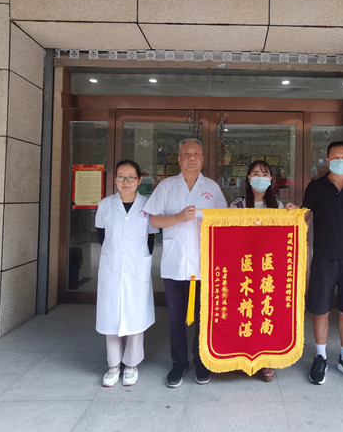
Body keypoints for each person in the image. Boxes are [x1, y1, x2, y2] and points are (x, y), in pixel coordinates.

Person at [144, 138, 228, 388]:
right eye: (187, 154)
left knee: (204, 316)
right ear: (179, 159)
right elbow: (153, 221)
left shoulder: (212, 188)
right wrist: (179, 218)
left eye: (196, 154)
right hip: (175, 263)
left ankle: (201, 361)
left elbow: (224, 221)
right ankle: (179, 363)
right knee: (176, 318)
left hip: (205, 264)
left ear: (202, 160)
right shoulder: (166, 186)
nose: (192, 158)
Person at [296, 141, 343, 386]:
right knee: (320, 309)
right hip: (323, 259)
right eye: (336, 157)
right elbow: (304, 218)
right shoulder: (315, 187)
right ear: (327, 160)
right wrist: (292, 216)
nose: (341, 160)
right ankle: (320, 356)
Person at [95, 160, 158, 387]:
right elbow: (101, 236)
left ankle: (131, 364)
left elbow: (151, 238)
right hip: (111, 267)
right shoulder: (105, 205)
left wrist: (139, 259)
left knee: (135, 315)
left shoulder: (147, 205)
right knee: (110, 315)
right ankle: (113, 365)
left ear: (139, 180)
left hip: (136, 269)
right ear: (115, 180)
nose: (126, 181)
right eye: (121, 176)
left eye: (131, 177)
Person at [230, 159, 284, 382]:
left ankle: (267, 359)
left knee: (265, 313)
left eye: (265, 174)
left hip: (268, 268)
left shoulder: (278, 206)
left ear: (271, 179)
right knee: (245, 312)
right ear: (248, 178)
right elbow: (228, 235)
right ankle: (243, 356)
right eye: (255, 173)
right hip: (244, 268)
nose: (260, 178)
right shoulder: (238, 205)